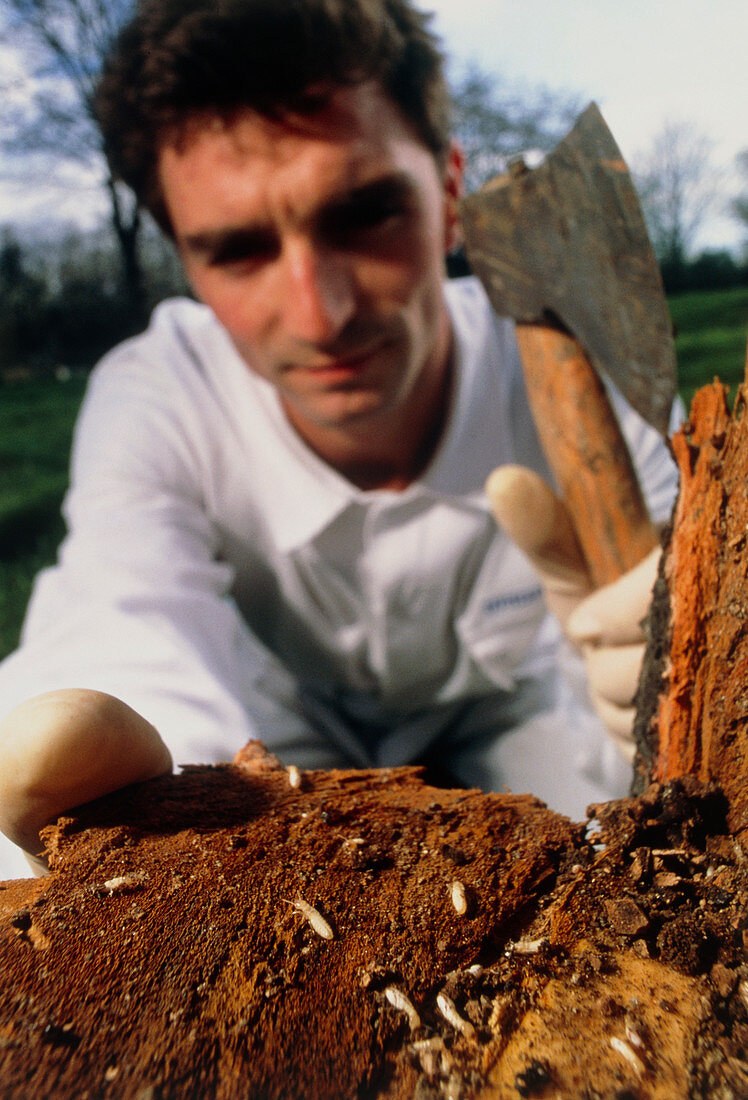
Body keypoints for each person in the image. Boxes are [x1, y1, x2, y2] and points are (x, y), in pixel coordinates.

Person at [0, 0, 681, 874]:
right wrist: (121, 779)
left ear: (448, 194)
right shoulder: (161, 394)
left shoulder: (575, 360)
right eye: (239, 250)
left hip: (528, 710)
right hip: (279, 725)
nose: (320, 315)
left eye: (363, 215)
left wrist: (670, 666)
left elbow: (672, 595)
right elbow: (125, 617)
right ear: (183, 258)